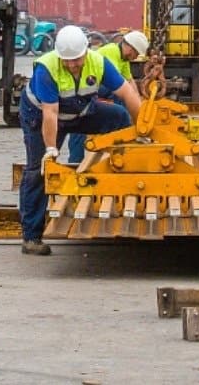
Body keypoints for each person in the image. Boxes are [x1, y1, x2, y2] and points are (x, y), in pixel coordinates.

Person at [19, 25, 141, 255]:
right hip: (41, 117)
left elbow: (127, 93)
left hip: (80, 110)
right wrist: (51, 148)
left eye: (76, 59)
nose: (73, 64)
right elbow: (50, 113)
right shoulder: (47, 69)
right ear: (59, 55)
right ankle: (31, 238)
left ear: (86, 51)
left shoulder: (99, 62)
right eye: (68, 60)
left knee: (119, 117)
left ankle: (121, 173)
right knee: (39, 170)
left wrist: (141, 129)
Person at [65, 30, 149, 163]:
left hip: (90, 89)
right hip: (87, 88)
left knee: (124, 99)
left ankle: (126, 126)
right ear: (129, 47)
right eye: (135, 53)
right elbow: (116, 85)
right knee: (118, 98)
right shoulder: (112, 51)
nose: (135, 57)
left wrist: (139, 103)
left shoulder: (123, 60)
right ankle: (126, 129)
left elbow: (130, 81)